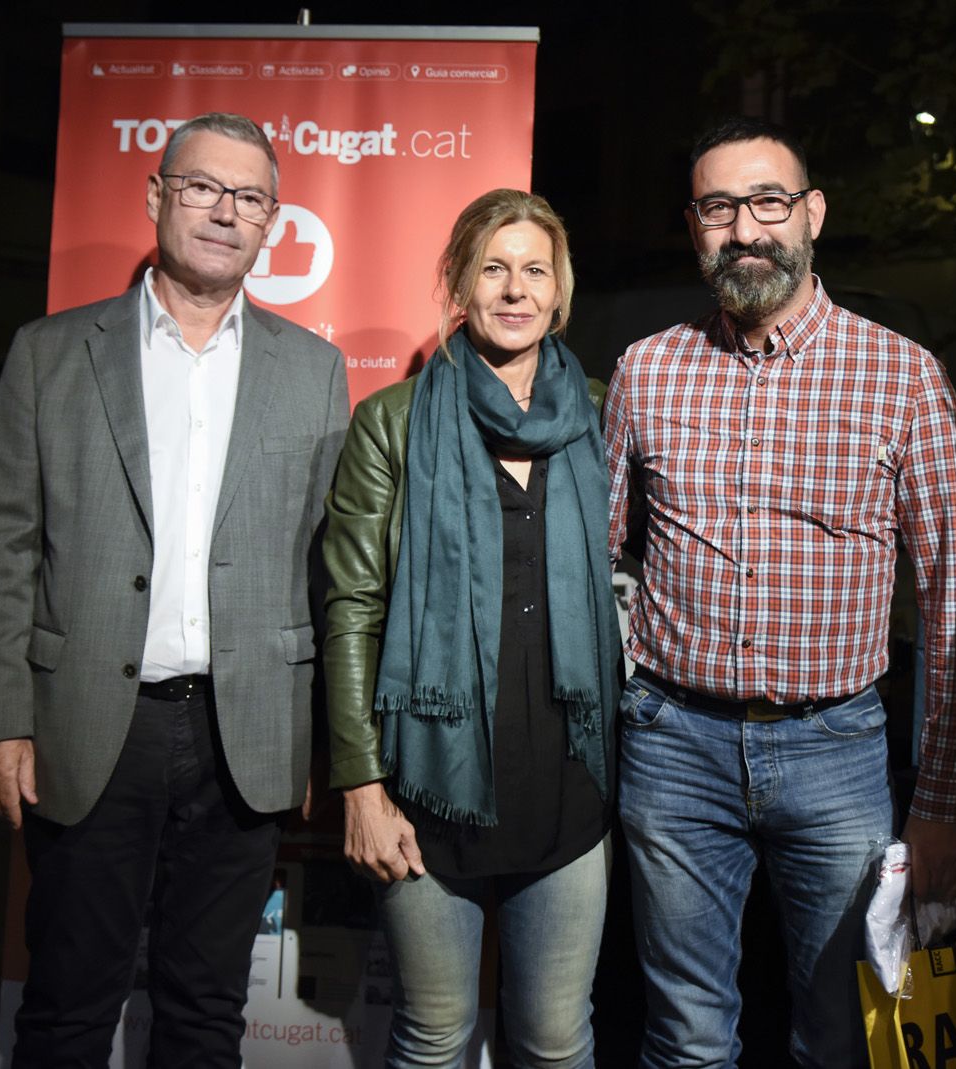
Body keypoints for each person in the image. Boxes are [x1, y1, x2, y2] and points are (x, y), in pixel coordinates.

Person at [0, 112, 349, 1065]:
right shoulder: (51, 353)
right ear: (156, 198)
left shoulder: (316, 368)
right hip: (89, 722)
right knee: (65, 1008)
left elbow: (330, 567)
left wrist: (323, 738)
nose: (225, 212)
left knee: (207, 1015)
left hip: (243, 734)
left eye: (249, 198)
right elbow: (2, 541)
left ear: (272, 223)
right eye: (203, 187)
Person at [604, 117, 956, 1069]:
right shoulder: (645, 370)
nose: (746, 229)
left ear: (812, 212)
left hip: (837, 750)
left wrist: (940, 801)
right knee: (685, 1034)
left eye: (768, 202)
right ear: (693, 227)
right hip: (672, 746)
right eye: (719, 208)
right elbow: (596, 561)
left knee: (839, 1036)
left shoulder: (903, 377)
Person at [323, 188, 619, 1068]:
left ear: (560, 290)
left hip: (570, 784)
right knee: (433, 1035)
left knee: (558, 1041)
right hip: (429, 785)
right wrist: (362, 786)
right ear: (459, 281)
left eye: (535, 269)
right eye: (494, 267)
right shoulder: (395, 419)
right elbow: (351, 606)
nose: (515, 289)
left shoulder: (605, 414)